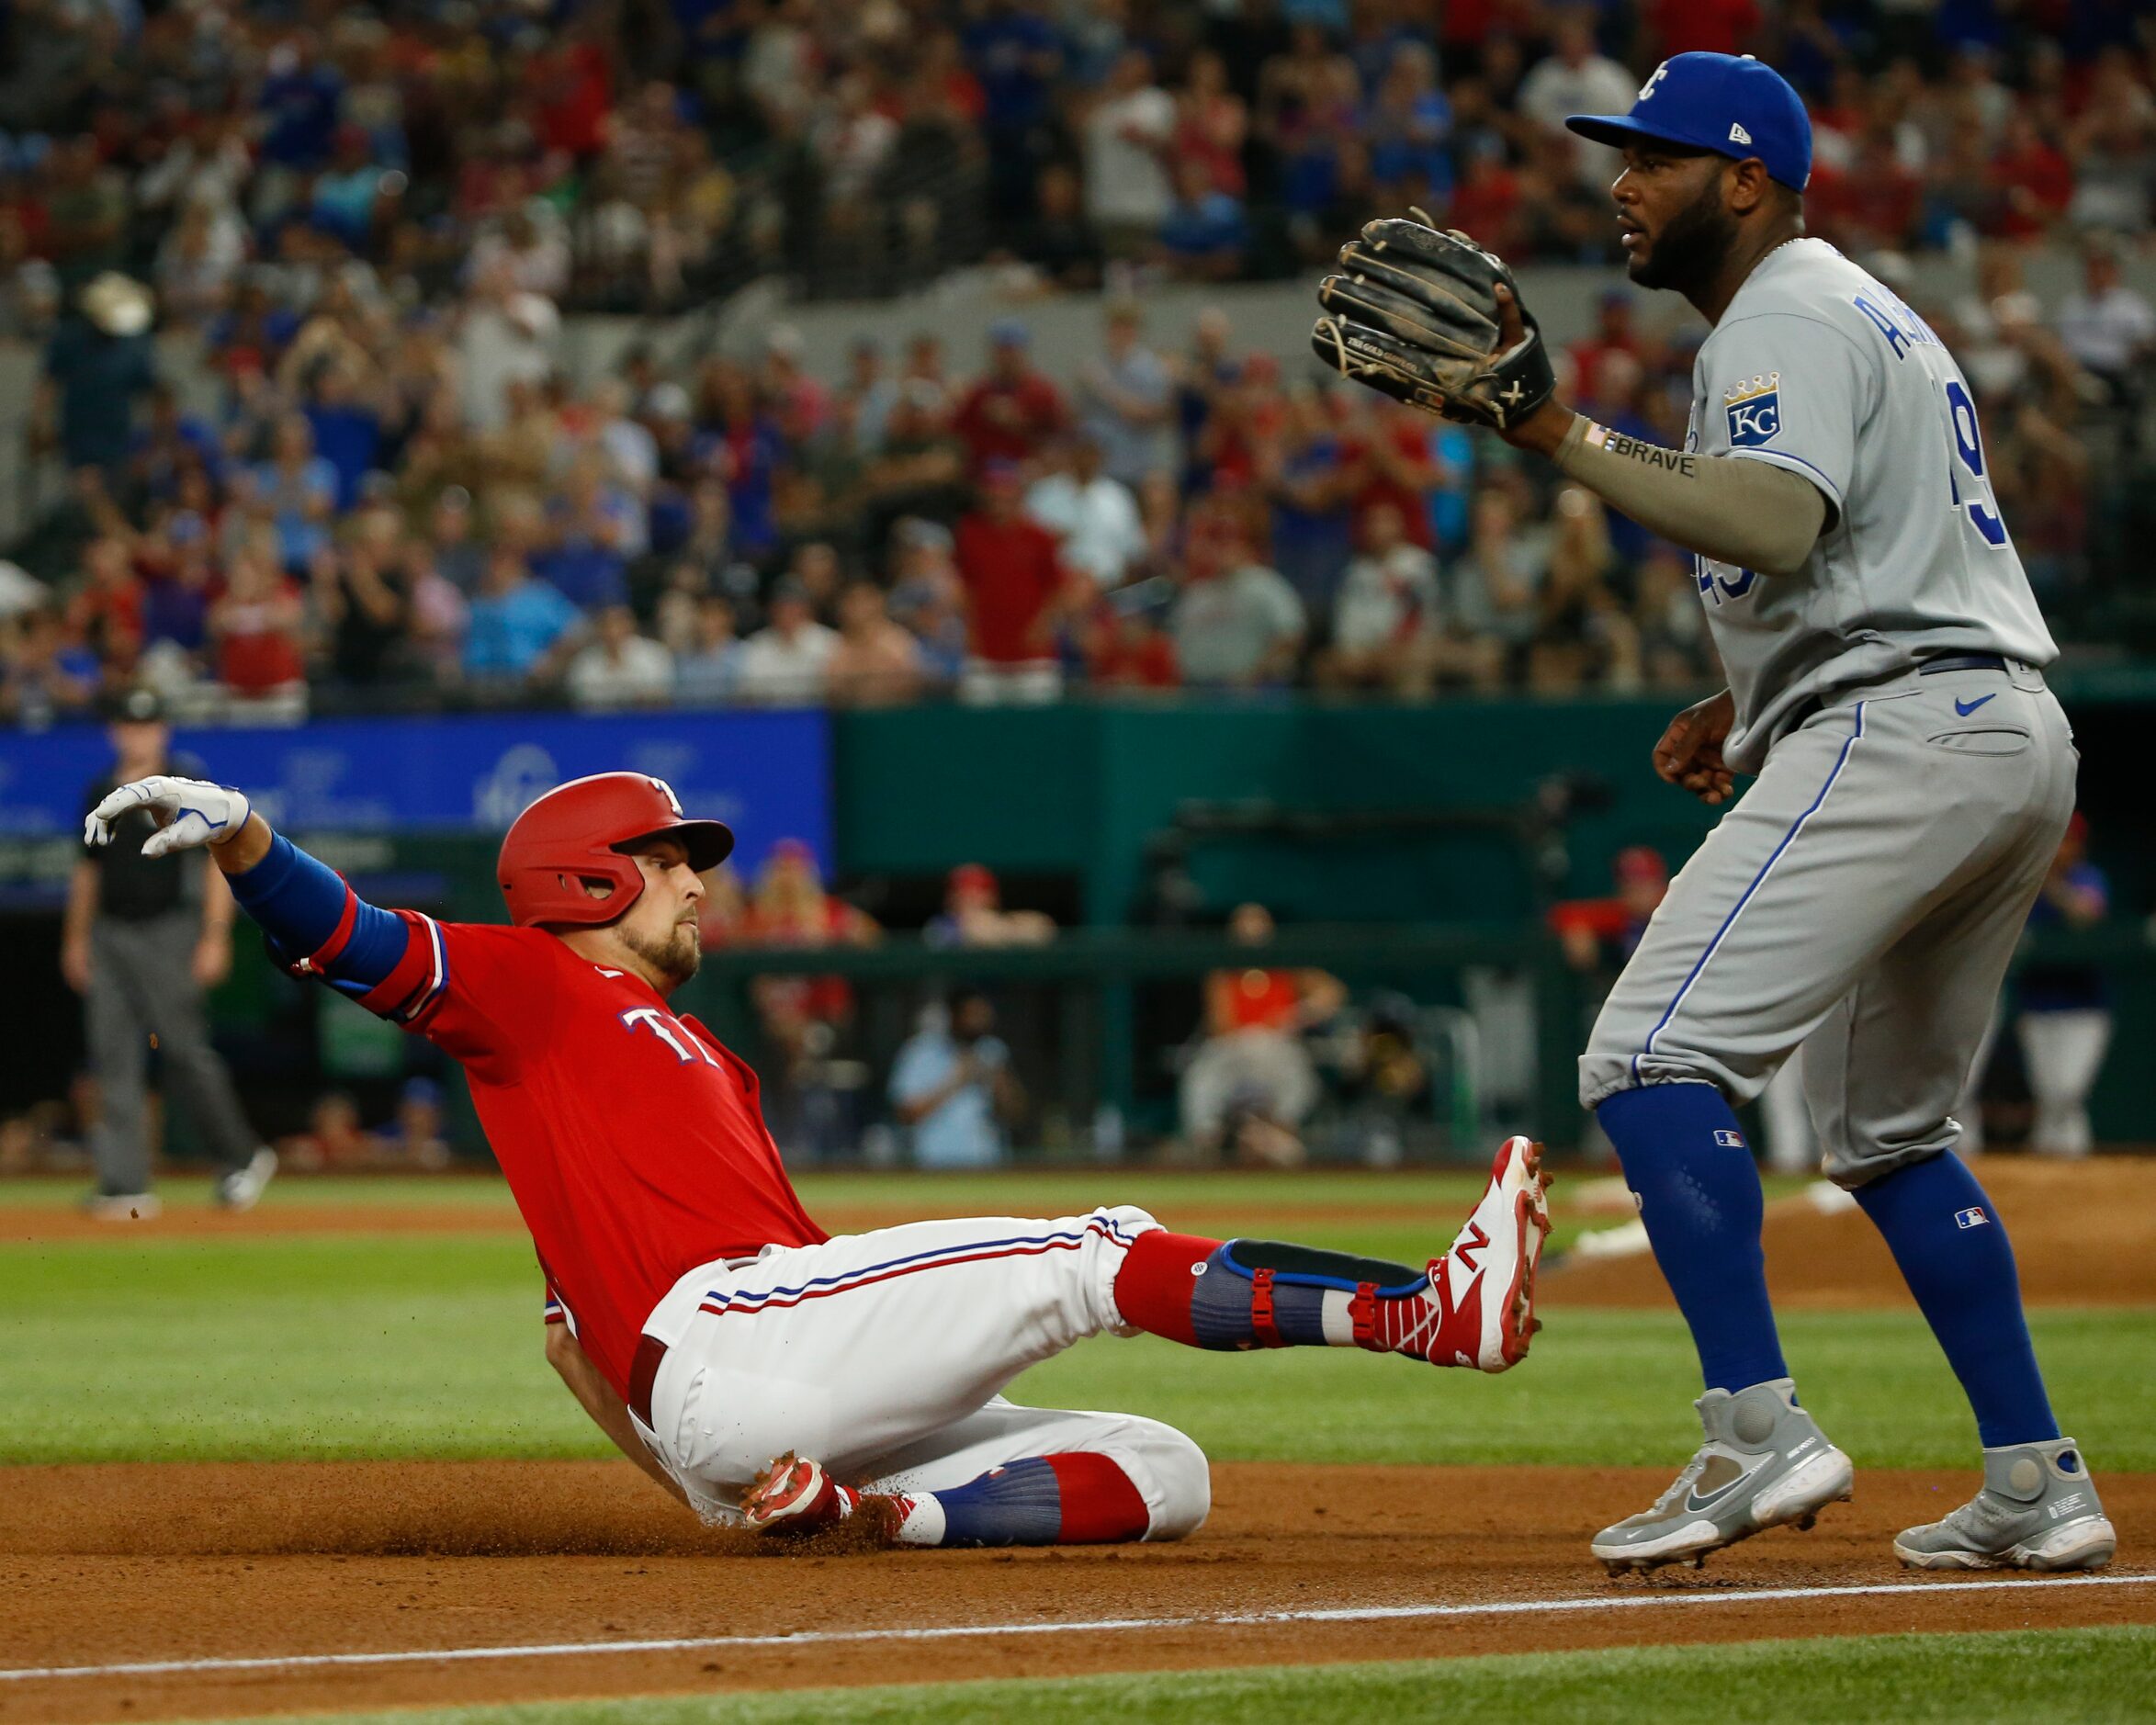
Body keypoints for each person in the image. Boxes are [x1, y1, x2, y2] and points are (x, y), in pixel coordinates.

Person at [1316, 53, 2112, 1576]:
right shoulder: (1849, 308)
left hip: (1908, 725)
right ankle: (2033, 1475)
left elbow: (1772, 518)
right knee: (1887, 1134)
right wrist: (1754, 705)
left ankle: (1756, 1427)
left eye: (1655, 159)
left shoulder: (1785, 311)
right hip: (1990, 726)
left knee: (1647, 1054)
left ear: (1742, 178)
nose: (1620, 182)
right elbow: (1867, 555)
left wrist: (1551, 429)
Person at [88, 770, 1549, 1548]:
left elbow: (564, 1343)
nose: (700, 879)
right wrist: (253, 844)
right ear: (594, 879)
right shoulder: (534, 984)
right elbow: (355, 943)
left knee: (1162, 1469)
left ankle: (879, 1521)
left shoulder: (689, 1053)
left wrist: (708, 1490)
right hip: (734, 1326)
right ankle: (1414, 1310)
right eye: (672, 858)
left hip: (754, 1409)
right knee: (1094, 1249)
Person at [63, 688, 276, 1219]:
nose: (138, 735)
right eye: (129, 725)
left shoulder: (184, 785)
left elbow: (215, 862)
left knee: (183, 1051)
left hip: (168, 932)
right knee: (112, 1055)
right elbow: (87, 872)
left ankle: (241, 1156)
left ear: (162, 730)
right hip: (111, 934)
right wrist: (75, 939)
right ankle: (124, 1182)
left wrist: (214, 935)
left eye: (148, 725)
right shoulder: (99, 787)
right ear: (116, 731)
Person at [1180, 903, 1347, 1167]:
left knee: (1296, 1074)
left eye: (1258, 926)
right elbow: (1219, 1023)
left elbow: (1332, 992)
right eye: (1244, 927)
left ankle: (1279, 1132)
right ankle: (1207, 1139)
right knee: (1202, 1075)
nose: (1251, 933)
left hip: (1276, 1046)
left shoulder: (1286, 965)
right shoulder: (1224, 971)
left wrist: (1298, 1014)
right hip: (1234, 1046)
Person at [2014, 815, 2111, 1159]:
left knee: (2067, 1092)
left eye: (2067, 841)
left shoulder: (2088, 877)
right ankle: (2049, 1167)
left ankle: (2069, 1167)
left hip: (2086, 1008)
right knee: (2049, 1093)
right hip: (2038, 1004)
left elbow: (2087, 912)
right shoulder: (2024, 884)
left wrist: (2048, 881)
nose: (2060, 849)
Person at [888, 993, 1022, 1169]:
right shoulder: (922, 1052)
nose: (978, 1023)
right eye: (971, 1015)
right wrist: (956, 1080)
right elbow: (906, 1114)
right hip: (935, 1162)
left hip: (987, 1161)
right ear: (954, 1015)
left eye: (983, 1016)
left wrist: (999, 1083)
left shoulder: (992, 1050)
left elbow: (1016, 1114)